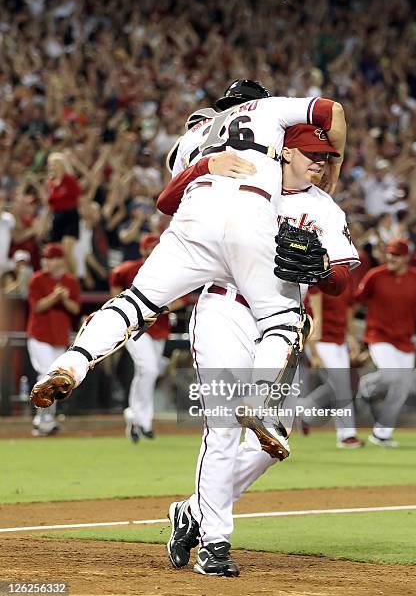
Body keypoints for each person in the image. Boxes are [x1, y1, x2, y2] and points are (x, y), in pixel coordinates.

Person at [31, 83, 345, 462]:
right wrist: (335, 170)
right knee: (286, 320)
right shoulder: (271, 111)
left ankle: (70, 363)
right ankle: (261, 401)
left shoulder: (193, 135)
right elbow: (334, 111)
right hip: (249, 212)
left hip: (192, 219)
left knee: (134, 303)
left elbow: (165, 201)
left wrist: (203, 165)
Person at [160, 124, 359, 576]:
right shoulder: (239, 183)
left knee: (275, 435)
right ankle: (215, 544)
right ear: (285, 152)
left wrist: (324, 270)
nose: (320, 162)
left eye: (326, 156)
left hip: (282, 320)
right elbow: (173, 200)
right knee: (226, 424)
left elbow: (344, 277)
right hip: (225, 308)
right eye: (311, 153)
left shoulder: (322, 207)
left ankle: (193, 510)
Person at [110, 233, 185, 441]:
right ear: (143, 250)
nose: (153, 251)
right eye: (150, 247)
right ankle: (142, 419)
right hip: (135, 327)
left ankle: (137, 417)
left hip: (158, 327)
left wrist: (159, 309)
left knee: (148, 372)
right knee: (149, 368)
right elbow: (115, 294)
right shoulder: (127, 269)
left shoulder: (171, 269)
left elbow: (182, 300)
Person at [356, 238, 416, 447]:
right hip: (379, 335)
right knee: (391, 375)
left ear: (406, 257)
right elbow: (359, 299)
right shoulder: (376, 276)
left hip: (405, 338)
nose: (391, 258)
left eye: (396, 255)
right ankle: (367, 386)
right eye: (389, 253)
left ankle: (381, 433)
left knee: (403, 387)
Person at [27, 243, 80, 436]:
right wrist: (55, 296)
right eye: (45, 258)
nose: (46, 261)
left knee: (55, 380)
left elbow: (75, 309)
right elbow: (38, 307)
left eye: (51, 258)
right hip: (39, 336)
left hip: (59, 337)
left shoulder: (70, 281)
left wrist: (64, 299)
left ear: (61, 261)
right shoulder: (37, 279)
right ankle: (43, 419)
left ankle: (46, 420)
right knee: (46, 374)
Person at [301, 284, 364, 448]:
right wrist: (313, 353)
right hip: (321, 342)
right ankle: (346, 435)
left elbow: (347, 312)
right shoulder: (316, 286)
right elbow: (313, 319)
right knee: (342, 387)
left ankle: (304, 410)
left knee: (339, 386)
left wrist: (351, 338)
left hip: (339, 341)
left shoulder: (344, 283)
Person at [46, 152, 83, 274]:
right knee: (57, 252)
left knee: (67, 250)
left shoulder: (69, 180)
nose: (53, 167)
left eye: (56, 164)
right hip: (57, 217)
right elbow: (50, 204)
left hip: (70, 216)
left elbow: (79, 199)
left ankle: (74, 278)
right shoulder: (51, 183)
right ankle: (63, 278)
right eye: (51, 164)